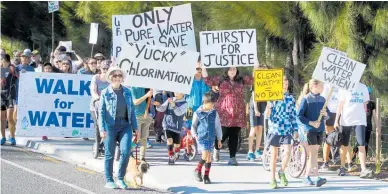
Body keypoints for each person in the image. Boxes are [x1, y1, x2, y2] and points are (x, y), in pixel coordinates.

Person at [202, 66, 252, 165]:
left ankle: (232, 157)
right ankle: (216, 148)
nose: (232, 71)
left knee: (234, 135)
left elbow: (253, 80)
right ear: (227, 70)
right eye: (230, 69)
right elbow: (208, 81)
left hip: (238, 111)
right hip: (224, 111)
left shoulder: (241, 80)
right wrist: (203, 68)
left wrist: (256, 66)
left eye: (234, 69)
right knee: (223, 134)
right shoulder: (220, 79)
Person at [98, 66, 138, 189]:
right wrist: (101, 129)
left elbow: (132, 110)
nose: (117, 78)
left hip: (125, 125)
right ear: (110, 77)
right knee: (109, 154)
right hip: (110, 126)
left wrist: (136, 128)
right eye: (114, 76)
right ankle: (109, 179)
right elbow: (101, 112)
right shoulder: (105, 92)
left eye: (119, 76)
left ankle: (120, 178)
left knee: (126, 152)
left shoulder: (127, 91)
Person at [334, 82, 374, 178]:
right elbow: (340, 104)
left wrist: (366, 117)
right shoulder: (343, 87)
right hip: (346, 120)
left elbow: (365, 104)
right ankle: (342, 167)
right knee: (344, 144)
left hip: (360, 120)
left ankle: (363, 169)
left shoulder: (363, 87)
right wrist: (336, 120)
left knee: (361, 144)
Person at [266, 76, 298, 189]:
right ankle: (272, 178)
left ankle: (282, 171)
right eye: (283, 84)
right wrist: (269, 109)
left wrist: (295, 129)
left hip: (286, 129)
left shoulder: (290, 99)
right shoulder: (272, 98)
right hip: (274, 129)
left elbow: (293, 116)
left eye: (286, 84)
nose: (285, 86)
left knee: (288, 152)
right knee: (274, 155)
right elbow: (267, 115)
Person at [297, 79, 328, 187]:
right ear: (314, 86)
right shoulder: (306, 99)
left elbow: (327, 116)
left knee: (314, 154)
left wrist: (325, 114)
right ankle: (315, 176)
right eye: (322, 85)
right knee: (313, 154)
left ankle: (308, 177)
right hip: (310, 130)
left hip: (320, 130)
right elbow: (299, 116)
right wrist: (311, 123)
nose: (323, 87)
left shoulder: (323, 99)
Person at [192, 92, 222, 184]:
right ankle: (197, 169)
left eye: (214, 103)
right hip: (202, 137)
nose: (213, 105)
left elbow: (217, 126)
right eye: (211, 103)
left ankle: (206, 176)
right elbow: (193, 125)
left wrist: (219, 138)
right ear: (205, 102)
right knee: (205, 155)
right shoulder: (198, 112)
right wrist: (195, 135)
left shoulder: (214, 113)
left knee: (209, 158)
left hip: (211, 137)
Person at [156, 93, 188, 164]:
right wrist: (158, 105)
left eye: (178, 92)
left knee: (177, 144)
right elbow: (162, 108)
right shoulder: (170, 99)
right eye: (175, 91)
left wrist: (173, 104)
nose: (176, 93)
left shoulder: (185, 103)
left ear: (183, 93)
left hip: (177, 126)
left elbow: (179, 113)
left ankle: (177, 152)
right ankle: (171, 157)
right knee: (169, 140)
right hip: (167, 124)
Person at [352, 87, 378, 161]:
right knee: (359, 142)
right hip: (359, 124)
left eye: (369, 93)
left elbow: (374, 115)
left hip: (368, 125)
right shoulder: (358, 102)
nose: (368, 95)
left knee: (366, 142)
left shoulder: (372, 103)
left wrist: (377, 125)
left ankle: (364, 160)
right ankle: (353, 155)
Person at [247, 65, 267, 161]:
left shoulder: (268, 81)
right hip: (254, 104)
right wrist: (255, 109)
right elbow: (254, 94)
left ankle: (257, 150)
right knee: (253, 129)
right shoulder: (255, 80)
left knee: (260, 128)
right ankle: (250, 151)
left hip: (264, 104)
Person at [130, 86, 153, 162]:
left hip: (146, 115)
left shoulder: (146, 87)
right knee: (137, 138)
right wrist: (146, 95)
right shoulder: (133, 88)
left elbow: (150, 101)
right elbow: (135, 102)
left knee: (144, 138)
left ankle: (142, 157)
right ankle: (129, 151)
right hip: (137, 116)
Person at [320, 84, 341, 170]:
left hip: (341, 113)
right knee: (329, 138)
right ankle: (325, 161)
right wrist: (325, 114)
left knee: (342, 137)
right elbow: (323, 99)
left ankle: (342, 161)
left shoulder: (344, 84)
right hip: (330, 112)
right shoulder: (327, 84)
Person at [90, 61, 110, 146]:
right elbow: (93, 90)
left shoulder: (112, 79)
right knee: (98, 124)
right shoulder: (96, 77)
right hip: (96, 105)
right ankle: (98, 143)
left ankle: (108, 142)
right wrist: (97, 97)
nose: (105, 70)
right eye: (103, 68)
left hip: (109, 105)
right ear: (100, 69)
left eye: (107, 68)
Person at [1, 54, 18, 145]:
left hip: (10, 96)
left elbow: (16, 74)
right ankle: (3, 137)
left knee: (9, 117)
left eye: (2, 60)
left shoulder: (12, 69)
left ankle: (12, 137)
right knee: (2, 118)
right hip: (2, 97)